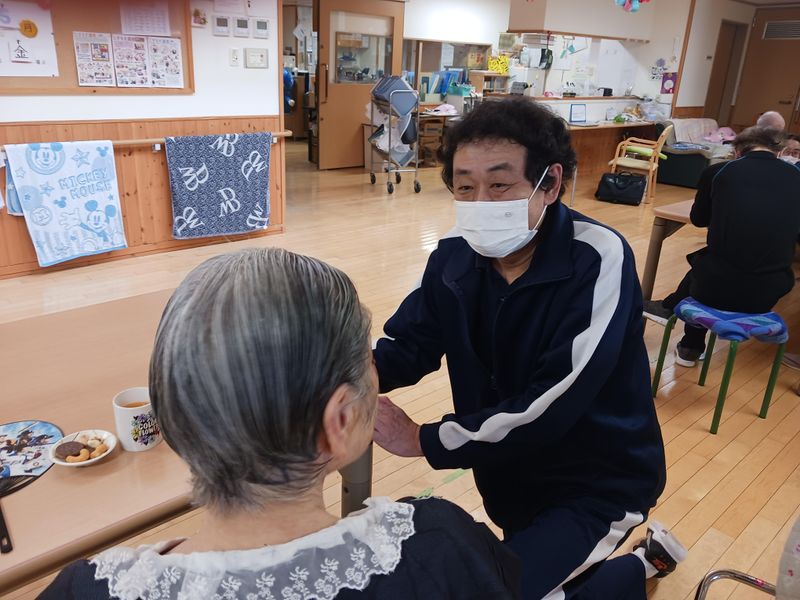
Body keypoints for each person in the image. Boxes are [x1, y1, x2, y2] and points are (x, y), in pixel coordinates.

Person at [39, 248, 521, 600]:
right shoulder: (440, 551)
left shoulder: (82, 591)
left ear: (172, 415)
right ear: (339, 421)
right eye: (367, 361)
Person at [372, 97, 685, 600]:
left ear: (551, 184)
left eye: (499, 185)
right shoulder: (454, 257)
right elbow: (409, 345)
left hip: (596, 485)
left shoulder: (598, 258)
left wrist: (423, 439)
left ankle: (638, 570)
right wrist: (340, 371)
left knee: (506, 589)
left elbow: (553, 404)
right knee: (521, 573)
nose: (480, 203)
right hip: (507, 474)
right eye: (465, 187)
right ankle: (638, 566)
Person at [645, 127, 800, 366]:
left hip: (713, 286)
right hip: (770, 292)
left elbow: (699, 219)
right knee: (716, 260)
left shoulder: (719, 172)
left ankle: (689, 345)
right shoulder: (795, 176)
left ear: (737, 151)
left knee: (708, 262)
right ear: (779, 152)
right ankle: (671, 310)